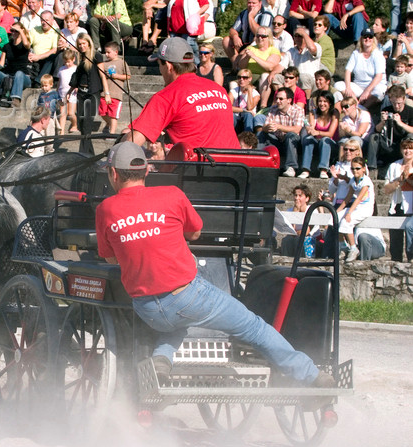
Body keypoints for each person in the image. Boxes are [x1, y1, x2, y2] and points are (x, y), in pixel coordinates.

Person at [95, 141, 335, 398]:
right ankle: (312, 377)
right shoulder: (172, 195)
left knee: (175, 323)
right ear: (146, 171)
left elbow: (110, 260)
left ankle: (162, 361)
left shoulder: (104, 210)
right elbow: (196, 232)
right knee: (255, 328)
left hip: (147, 308)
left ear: (114, 174)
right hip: (187, 297)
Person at [122, 37, 239, 158]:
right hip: (236, 168)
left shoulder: (166, 96)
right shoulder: (219, 90)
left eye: (159, 65)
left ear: (168, 66)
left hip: (198, 171)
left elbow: (130, 144)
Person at [67, 33, 110, 154]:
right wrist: (70, 91)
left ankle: (82, 154)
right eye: (79, 44)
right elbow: (78, 76)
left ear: (89, 43)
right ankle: (90, 154)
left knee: (87, 125)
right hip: (81, 93)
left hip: (92, 93)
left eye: (84, 44)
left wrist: (106, 93)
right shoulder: (81, 57)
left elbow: (102, 75)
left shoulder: (96, 56)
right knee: (81, 125)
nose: (81, 46)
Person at [334, 29, 386, 109]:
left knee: (379, 91)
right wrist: (348, 88)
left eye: (370, 37)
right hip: (359, 86)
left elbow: (379, 76)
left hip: (374, 87)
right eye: (365, 37)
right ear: (361, 39)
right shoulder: (356, 53)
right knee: (338, 85)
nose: (367, 39)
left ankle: (362, 108)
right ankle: (356, 104)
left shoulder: (377, 55)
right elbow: (348, 71)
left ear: (373, 39)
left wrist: (367, 91)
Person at [258, 87, 304, 177]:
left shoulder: (298, 110)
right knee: (261, 134)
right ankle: (259, 163)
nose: (278, 101)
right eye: (277, 98)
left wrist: (279, 127)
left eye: (281, 99)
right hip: (277, 140)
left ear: (289, 100)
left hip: (293, 143)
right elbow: (264, 127)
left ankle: (291, 167)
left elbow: (297, 129)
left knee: (291, 135)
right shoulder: (273, 109)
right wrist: (268, 127)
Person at [337, 156, 374, 261]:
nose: (354, 171)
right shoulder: (353, 180)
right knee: (334, 220)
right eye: (353, 168)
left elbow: (358, 199)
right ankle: (343, 247)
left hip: (365, 208)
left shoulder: (366, 181)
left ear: (363, 169)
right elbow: (348, 198)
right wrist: (337, 211)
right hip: (356, 208)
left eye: (357, 168)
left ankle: (353, 248)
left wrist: (349, 213)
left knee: (346, 222)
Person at [383, 137, 413, 262]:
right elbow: (386, 189)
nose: (407, 151)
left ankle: (411, 260)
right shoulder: (394, 166)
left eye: (411, 148)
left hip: (411, 205)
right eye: (405, 148)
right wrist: (399, 180)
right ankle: (396, 264)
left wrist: (408, 179)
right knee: (395, 242)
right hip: (397, 205)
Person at [371, 85, 413, 173]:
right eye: (394, 103)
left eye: (399, 103)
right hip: (388, 143)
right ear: (390, 100)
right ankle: (372, 168)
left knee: (410, 137)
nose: (396, 106)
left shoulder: (411, 111)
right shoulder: (387, 109)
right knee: (374, 137)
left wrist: (400, 123)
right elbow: (377, 130)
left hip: (403, 145)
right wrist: (382, 122)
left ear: (404, 99)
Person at [0, 23, 31, 107]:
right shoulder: (7, 46)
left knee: (19, 74)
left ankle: (16, 98)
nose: (14, 33)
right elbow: (2, 63)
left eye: (16, 31)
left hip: (23, 77)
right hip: (9, 75)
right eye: (12, 31)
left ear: (21, 31)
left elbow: (27, 44)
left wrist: (21, 31)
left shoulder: (24, 45)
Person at [300, 91, 338, 179]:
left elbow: (330, 133)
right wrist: (310, 129)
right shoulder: (313, 113)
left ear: (330, 103)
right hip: (317, 142)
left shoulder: (334, 113)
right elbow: (312, 127)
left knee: (325, 140)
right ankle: (305, 170)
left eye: (325, 102)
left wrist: (318, 132)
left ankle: (323, 169)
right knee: (308, 139)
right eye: (320, 101)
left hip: (331, 144)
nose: (322, 104)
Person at [222, 0, 274, 65]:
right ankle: (236, 64)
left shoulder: (266, 15)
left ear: (260, 3)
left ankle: (239, 64)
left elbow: (260, 33)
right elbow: (233, 29)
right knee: (226, 40)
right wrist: (235, 36)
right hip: (244, 43)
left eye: (254, 3)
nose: (251, 5)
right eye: (249, 3)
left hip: (257, 45)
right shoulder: (243, 13)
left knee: (256, 38)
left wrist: (250, 17)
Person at [98, 41, 128, 134]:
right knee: (102, 112)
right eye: (105, 52)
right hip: (105, 92)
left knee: (113, 115)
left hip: (116, 93)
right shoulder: (104, 64)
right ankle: (108, 124)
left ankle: (112, 133)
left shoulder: (122, 62)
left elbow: (128, 76)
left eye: (108, 52)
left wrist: (117, 76)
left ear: (116, 52)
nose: (106, 54)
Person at [280, 184, 317, 256]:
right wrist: (295, 212)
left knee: (298, 240)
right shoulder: (290, 210)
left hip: (308, 238)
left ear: (307, 198)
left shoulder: (312, 210)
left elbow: (306, 231)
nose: (297, 198)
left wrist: (297, 233)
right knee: (286, 240)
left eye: (300, 196)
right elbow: (290, 231)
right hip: (294, 236)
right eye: (295, 195)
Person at [28, 10, 59, 81]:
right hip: (34, 58)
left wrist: (38, 57)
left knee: (52, 57)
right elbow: (28, 44)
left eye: (46, 20)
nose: (44, 22)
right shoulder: (34, 30)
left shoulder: (56, 31)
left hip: (47, 60)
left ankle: (38, 81)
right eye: (42, 20)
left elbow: (54, 50)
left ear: (52, 20)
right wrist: (29, 54)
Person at [230, 68, 259, 133]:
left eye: (244, 77)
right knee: (231, 115)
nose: (241, 79)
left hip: (248, 119)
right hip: (236, 118)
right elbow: (228, 107)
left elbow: (250, 108)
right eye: (239, 77)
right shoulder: (233, 91)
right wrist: (243, 110)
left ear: (250, 79)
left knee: (248, 114)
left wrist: (250, 91)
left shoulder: (255, 94)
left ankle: (248, 137)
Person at [57, 48, 78, 134]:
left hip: (73, 93)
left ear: (74, 59)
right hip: (62, 93)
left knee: (71, 113)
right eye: (65, 62)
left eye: (69, 61)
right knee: (62, 113)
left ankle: (74, 125)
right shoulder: (61, 69)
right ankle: (61, 131)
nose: (67, 64)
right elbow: (59, 81)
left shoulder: (76, 69)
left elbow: (77, 80)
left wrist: (77, 87)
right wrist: (57, 90)